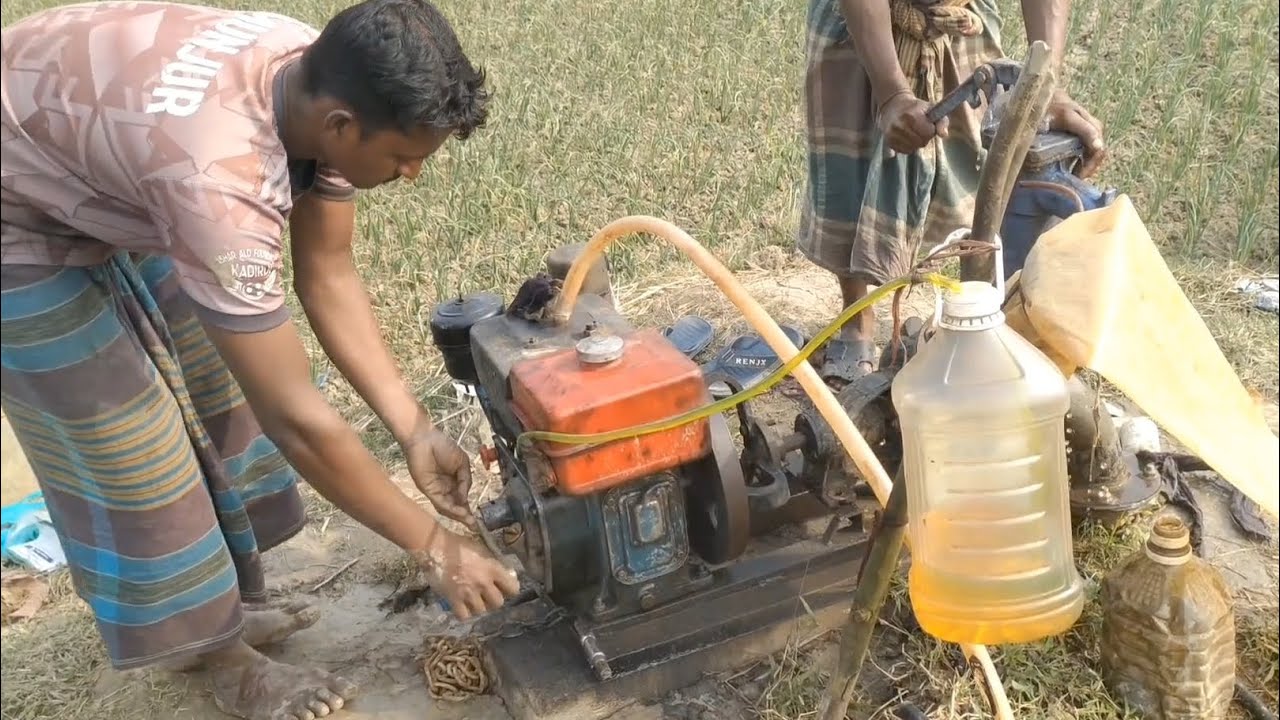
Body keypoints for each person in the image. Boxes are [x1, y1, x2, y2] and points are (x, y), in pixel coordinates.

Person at [0, 0, 521, 717]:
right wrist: (435, 545)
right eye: (404, 157)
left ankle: (226, 606)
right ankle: (218, 659)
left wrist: (414, 430)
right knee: (130, 446)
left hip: (91, 144)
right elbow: (296, 420)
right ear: (340, 126)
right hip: (14, 204)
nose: (412, 176)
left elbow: (328, 272)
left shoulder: (314, 73)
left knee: (212, 384)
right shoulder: (218, 183)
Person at [798, 0, 1108, 384]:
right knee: (850, 172)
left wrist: (1046, 88)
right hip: (858, 22)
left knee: (974, 190)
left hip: (959, 22)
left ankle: (973, 317)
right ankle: (857, 315)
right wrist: (891, 93)